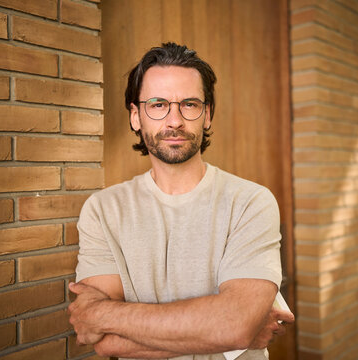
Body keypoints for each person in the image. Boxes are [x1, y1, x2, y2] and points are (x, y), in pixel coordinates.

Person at [68, 42, 294, 360]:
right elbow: (106, 342)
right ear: (136, 116)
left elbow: (235, 326)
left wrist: (103, 314)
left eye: (189, 104)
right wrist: (222, 332)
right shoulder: (104, 210)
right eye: (158, 105)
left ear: (207, 115)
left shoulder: (250, 202)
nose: (174, 121)